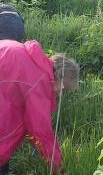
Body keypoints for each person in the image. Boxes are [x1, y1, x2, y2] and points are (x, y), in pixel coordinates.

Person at [0, 39, 80, 175]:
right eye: (63, 89)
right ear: (59, 77)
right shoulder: (39, 82)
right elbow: (40, 130)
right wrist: (57, 166)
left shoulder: (34, 61)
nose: (60, 94)